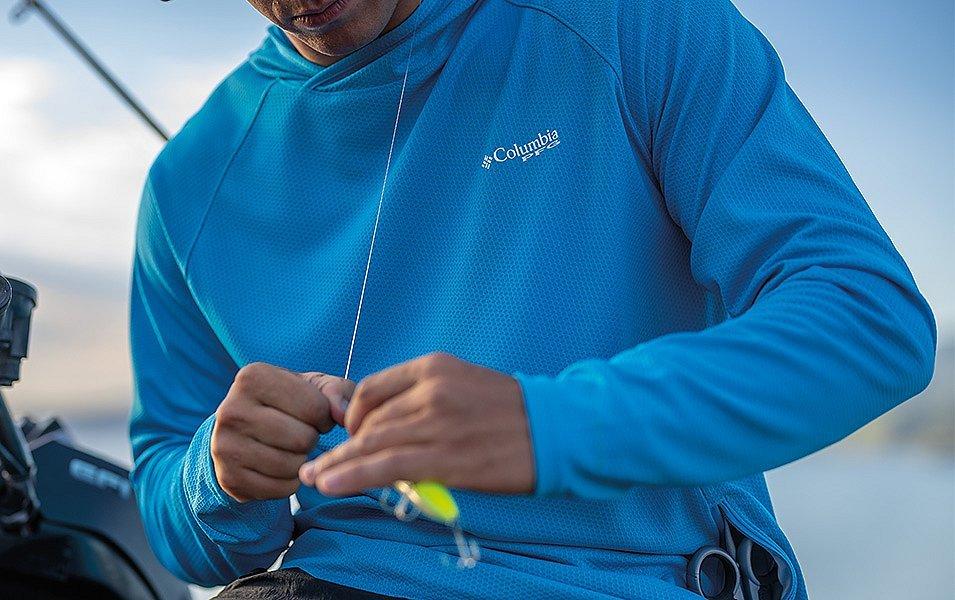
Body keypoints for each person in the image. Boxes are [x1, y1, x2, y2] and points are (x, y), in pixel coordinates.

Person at [129, 0, 937, 598]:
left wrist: (548, 424)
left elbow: (867, 318)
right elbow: (171, 505)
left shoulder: (634, 23)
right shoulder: (185, 186)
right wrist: (218, 474)